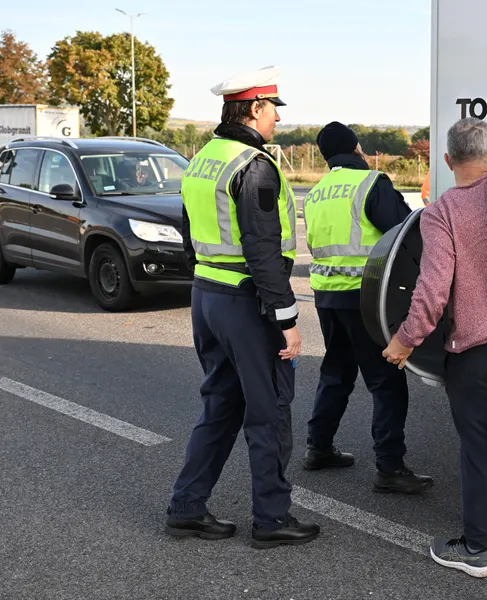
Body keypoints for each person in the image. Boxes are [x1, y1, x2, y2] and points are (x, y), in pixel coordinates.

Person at [165, 65, 320, 549]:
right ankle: (272, 520)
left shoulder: (203, 158)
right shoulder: (254, 165)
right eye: (273, 108)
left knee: (220, 405)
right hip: (245, 303)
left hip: (207, 297)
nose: (276, 118)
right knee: (269, 409)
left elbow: (189, 232)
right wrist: (287, 319)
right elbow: (262, 251)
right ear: (254, 108)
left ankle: (187, 509)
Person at [382, 117, 487, 577]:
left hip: (474, 349)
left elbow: (431, 292)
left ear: (447, 161)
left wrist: (404, 341)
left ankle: (475, 549)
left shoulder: (442, 212)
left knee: (478, 447)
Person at [302, 121, 434, 495]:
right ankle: (390, 468)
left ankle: (318, 447)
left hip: (326, 296)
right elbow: (404, 228)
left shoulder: (316, 192)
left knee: (336, 372)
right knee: (386, 381)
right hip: (365, 298)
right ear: (356, 147)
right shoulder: (371, 183)